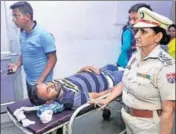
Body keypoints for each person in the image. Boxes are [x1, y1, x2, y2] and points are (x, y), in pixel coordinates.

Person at [88, 7, 175, 134]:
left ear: (158, 36)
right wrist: (107, 99)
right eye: (137, 30)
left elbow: (169, 110)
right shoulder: (136, 56)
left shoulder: (165, 66)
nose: (137, 35)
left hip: (147, 127)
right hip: (129, 121)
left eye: (144, 32)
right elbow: (125, 82)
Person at [8, 2, 57, 103]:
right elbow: (25, 52)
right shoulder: (22, 33)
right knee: (33, 106)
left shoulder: (43, 35)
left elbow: (52, 60)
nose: (14, 20)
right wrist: (16, 65)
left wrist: (39, 82)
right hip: (29, 80)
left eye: (16, 16)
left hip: (42, 84)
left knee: (43, 112)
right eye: (13, 16)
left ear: (27, 16)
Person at [30, 65, 124, 109]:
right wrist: (111, 91)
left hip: (101, 71)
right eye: (48, 90)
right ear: (49, 101)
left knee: (115, 65)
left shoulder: (55, 84)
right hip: (110, 79)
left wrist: (82, 70)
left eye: (47, 83)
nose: (51, 84)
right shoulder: (70, 99)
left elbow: (72, 79)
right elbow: (97, 96)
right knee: (131, 71)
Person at [117, 3, 152, 68]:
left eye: (135, 19)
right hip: (126, 63)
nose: (132, 22)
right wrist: (136, 46)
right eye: (130, 19)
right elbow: (125, 47)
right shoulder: (128, 30)